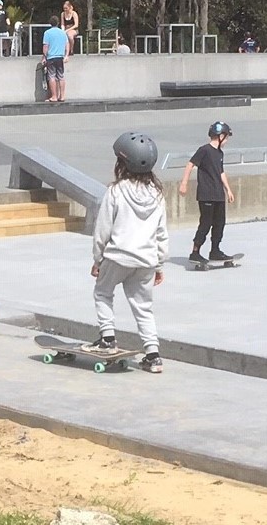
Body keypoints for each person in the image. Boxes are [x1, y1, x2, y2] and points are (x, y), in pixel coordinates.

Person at [83, 132, 170, 374]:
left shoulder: (116, 191)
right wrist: (160, 263)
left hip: (117, 255)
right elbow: (161, 233)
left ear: (122, 163)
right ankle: (153, 355)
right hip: (146, 260)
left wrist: (97, 259)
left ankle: (108, 338)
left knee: (102, 292)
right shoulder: (157, 194)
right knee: (143, 306)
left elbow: (102, 229)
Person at [178, 121, 236, 264]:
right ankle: (195, 252)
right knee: (206, 223)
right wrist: (184, 183)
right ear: (221, 136)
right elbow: (190, 164)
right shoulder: (204, 150)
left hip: (218, 194)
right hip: (206, 194)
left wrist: (228, 190)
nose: (227, 141)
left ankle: (215, 250)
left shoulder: (219, 153)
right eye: (227, 137)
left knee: (219, 223)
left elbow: (221, 172)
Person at [42, 16, 71, 102]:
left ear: (50, 23)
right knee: (61, 76)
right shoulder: (62, 33)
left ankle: (54, 96)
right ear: (58, 23)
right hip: (60, 57)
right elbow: (67, 44)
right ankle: (62, 96)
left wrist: (44, 57)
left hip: (51, 57)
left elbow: (45, 46)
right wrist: (66, 55)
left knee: (51, 76)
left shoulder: (47, 33)